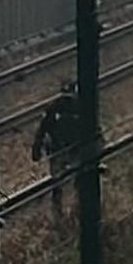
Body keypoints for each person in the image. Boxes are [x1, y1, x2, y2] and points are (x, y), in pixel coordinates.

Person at [31, 81, 81, 217]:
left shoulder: (79, 106)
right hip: (59, 148)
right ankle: (59, 211)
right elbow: (43, 128)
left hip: (72, 149)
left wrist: (37, 147)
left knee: (76, 180)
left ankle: (74, 210)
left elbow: (42, 129)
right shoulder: (55, 107)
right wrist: (37, 147)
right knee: (58, 182)